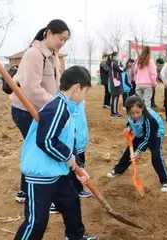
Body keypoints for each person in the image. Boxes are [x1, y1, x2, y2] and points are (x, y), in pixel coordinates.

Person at [14, 66, 98, 240]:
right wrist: (68, 158)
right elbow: (45, 141)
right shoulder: (57, 108)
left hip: (57, 171)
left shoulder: (68, 108)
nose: (84, 96)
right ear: (77, 87)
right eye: (85, 91)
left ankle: (75, 236)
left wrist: (78, 167)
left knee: (71, 202)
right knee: (37, 221)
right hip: (41, 174)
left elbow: (68, 141)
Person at [10, 19, 70, 204]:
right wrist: (56, 106)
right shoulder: (34, 54)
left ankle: (24, 190)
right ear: (49, 33)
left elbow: (54, 86)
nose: (62, 43)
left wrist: (60, 102)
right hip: (25, 110)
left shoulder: (52, 55)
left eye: (65, 40)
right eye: (60, 38)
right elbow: (31, 89)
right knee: (40, 149)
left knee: (34, 148)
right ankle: (39, 195)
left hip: (42, 109)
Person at [106, 95, 167, 192]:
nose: (135, 115)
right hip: (141, 132)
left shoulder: (149, 118)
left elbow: (148, 137)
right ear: (128, 111)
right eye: (132, 113)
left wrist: (139, 151)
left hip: (155, 134)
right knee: (129, 152)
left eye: (138, 112)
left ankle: (165, 181)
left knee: (156, 156)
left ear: (142, 108)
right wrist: (129, 128)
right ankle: (118, 169)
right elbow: (130, 122)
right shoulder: (130, 115)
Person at [70, 100, 93, 198]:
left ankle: (78, 189)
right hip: (72, 142)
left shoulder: (81, 101)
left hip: (81, 140)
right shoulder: (68, 104)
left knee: (80, 165)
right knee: (72, 168)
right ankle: (75, 189)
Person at [108, 52, 124, 119]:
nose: (118, 57)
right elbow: (121, 70)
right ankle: (113, 113)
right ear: (114, 56)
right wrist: (122, 65)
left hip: (115, 82)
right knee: (115, 97)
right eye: (117, 56)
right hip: (114, 82)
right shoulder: (113, 63)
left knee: (116, 97)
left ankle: (115, 112)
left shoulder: (114, 63)